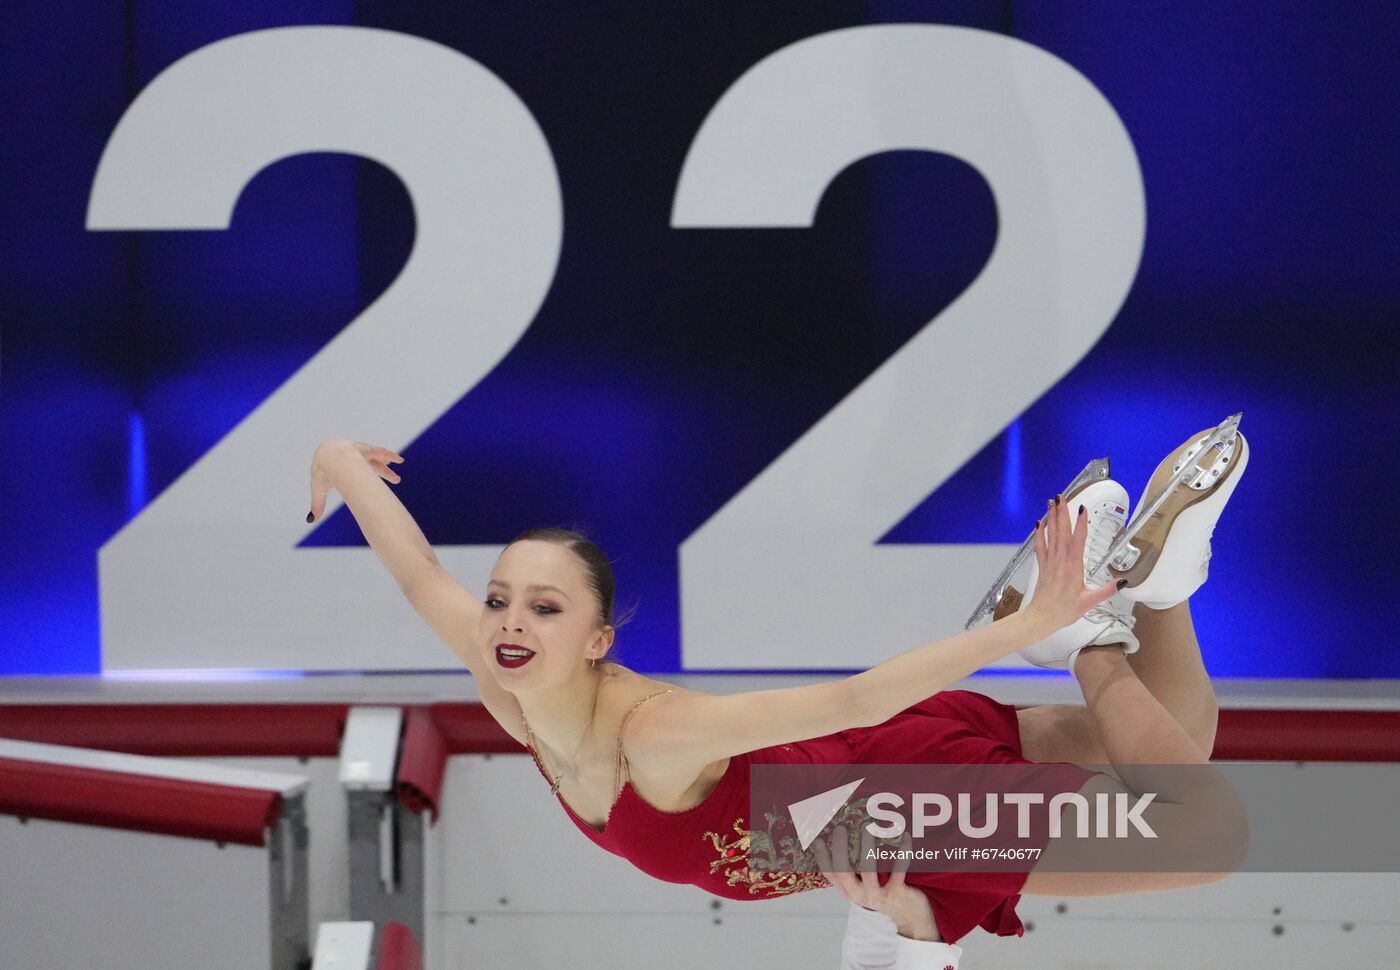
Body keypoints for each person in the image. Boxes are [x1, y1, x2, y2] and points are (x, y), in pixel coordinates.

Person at [305, 423, 1248, 948]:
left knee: (1203, 834)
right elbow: (418, 573)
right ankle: (1160, 584)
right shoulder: (508, 689)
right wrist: (343, 463)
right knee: (1175, 741)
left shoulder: (655, 736)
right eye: (501, 600)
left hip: (893, 809)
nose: (509, 621)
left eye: (543, 608)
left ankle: (1086, 640)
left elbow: (850, 699)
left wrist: (1024, 629)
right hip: (849, 788)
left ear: (597, 642)